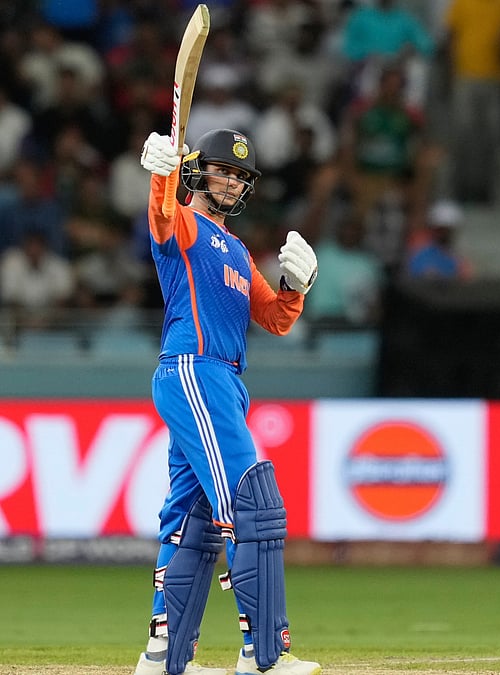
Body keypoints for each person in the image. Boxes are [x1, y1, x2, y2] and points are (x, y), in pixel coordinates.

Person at [132, 127, 321, 675]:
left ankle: (164, 656)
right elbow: (162, 218)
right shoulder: (185, 224)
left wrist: (296, 288)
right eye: (224, 171)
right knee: (251, 504)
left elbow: (274, 319)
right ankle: (264, 656)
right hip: (195, 370)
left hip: (221, 383)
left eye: (242, 176)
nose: (234, 182)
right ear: (198, 172)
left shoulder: (236, 249)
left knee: (191, 519)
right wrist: (161, 175)